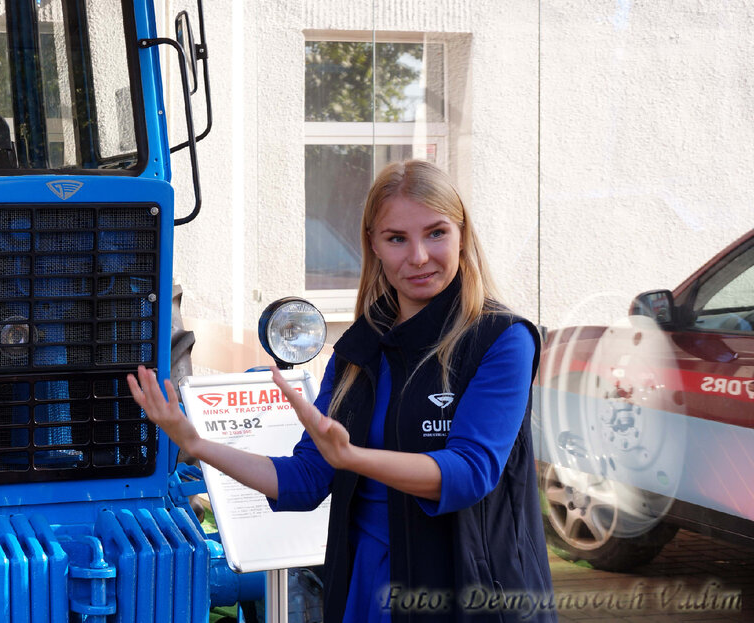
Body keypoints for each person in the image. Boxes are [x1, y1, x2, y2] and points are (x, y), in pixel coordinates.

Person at [128, 160, 555, 622]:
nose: (418, 256)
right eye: (397, 238)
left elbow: (470, 472)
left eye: (436, 233)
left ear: (462, 234)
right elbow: (305, 479)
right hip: (365, 585)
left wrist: (352, 458)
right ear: (372, 243)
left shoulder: (502, 339)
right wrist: (196, 443)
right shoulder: (360, 349)